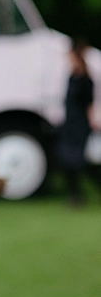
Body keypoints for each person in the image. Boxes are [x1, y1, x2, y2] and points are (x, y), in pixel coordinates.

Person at [57, 37, 100, 205]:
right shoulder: (72, 77)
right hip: (70, 123)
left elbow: (89, 103)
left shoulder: (85, 79)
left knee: (80, 161)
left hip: (80, 124)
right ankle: (75, 195)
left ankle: (79, 194)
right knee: (69, 160)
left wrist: (92, 121)